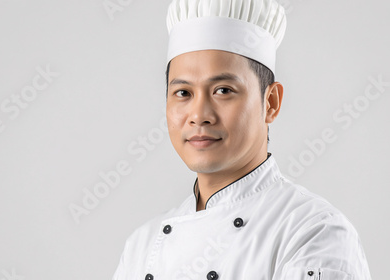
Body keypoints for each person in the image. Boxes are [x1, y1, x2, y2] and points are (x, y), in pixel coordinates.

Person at [112, 0, 372, 279]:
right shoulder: (142, 245)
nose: (199, 115)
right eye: (183, 93)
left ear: (270, 102)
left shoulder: (313, 231)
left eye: (223, 90)